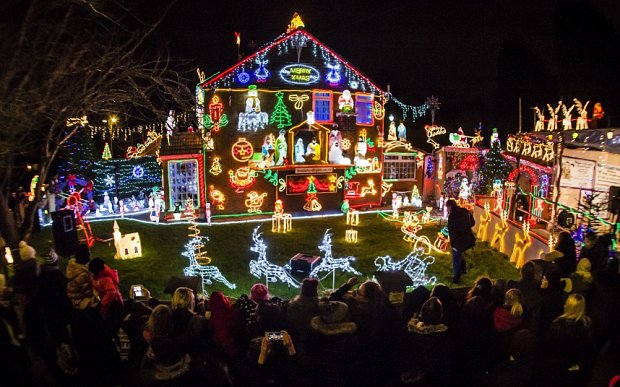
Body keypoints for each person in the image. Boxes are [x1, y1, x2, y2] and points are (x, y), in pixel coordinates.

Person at [89, 257, 124, 337]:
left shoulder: (107, 279)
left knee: (112, 324)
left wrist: (103, 305)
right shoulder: (98, 276)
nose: (93, 274)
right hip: (106, 302)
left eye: (94, 273)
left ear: (99, 271)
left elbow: (111, 293)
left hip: (114, 304)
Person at [446, 199, 476, 284]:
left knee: (456, 257)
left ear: (450, 206)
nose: (447, 210)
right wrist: (466, 227)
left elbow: (451, 229)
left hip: (458, 240)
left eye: (447, 207)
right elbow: (473, 222)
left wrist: (452, 242)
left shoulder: (453, 216)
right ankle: (463, 269)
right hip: (467, 238)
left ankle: (456, 278)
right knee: (460, 252)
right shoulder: (464, 211)